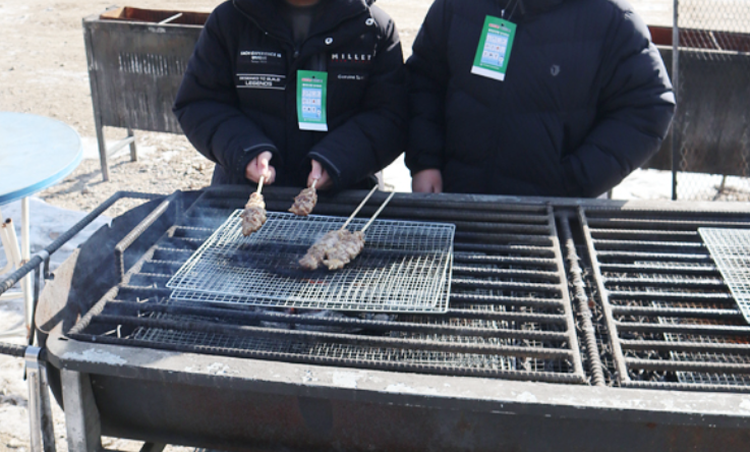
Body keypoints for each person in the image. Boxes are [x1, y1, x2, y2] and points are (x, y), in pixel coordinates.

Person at [406, 0, 676, 197]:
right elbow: (425, 79)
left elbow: (648, 106)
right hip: (454, 204)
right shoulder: (456, 6)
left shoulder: (611, 19)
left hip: (551, 225)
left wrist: (575, 180)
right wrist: (426, 162)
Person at [173, 0, 407, 192]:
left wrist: (337, 160)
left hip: (347, 195)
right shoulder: (230, 19)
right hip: (246, 196)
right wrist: (246, 150)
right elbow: (199, 102)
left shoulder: (373, 28)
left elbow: (389, 115)